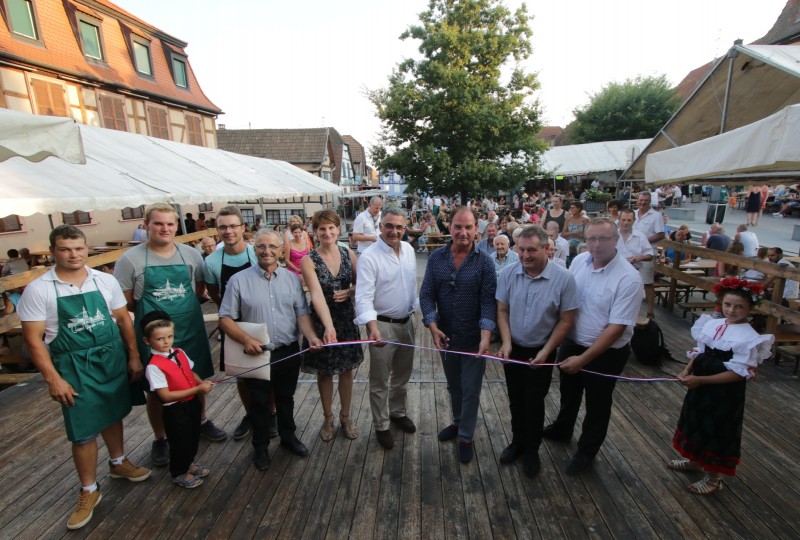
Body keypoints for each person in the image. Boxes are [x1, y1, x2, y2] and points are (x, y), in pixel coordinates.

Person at [18, 225, 150, 530]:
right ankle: (89, 489)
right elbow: (34, 341)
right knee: (83, 430)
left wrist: (132, 355)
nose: (73, 255)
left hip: (111, 357)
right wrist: (53, 379)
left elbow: (122, 319)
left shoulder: (104, 280)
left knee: (112, 413)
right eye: (65, 249)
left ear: (86, 248)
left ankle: (118, 463)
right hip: (74, 366)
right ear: (53, 251)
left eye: (78, 248)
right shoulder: (40, 289)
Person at [114, 203, 226, 468]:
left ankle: (200, 421)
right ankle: (161, 437)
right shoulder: (130, 259)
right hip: (153, 336)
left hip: (189, 328)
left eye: (170, 224)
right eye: (158, 223)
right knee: (155, 390)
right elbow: (127, 303)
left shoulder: (191, 254)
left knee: (195, 378)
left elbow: (198, 290)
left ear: (177, 226)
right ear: (146, 225)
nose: (165, 229)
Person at [543, 218, 643, 475]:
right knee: (569, 391)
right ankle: (563, 428)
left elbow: (616, 329)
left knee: (598, 403)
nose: (596, 245)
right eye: (591, 239)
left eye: (603, 239)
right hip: (572, 341)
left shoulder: (629, 279)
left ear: (616, 240)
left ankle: (587, 451)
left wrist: (583, 359)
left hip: (606, 353)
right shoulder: (579, 261)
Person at [219, 230, 323, 470]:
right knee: (259, 403)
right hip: (256, 353)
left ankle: (288, 437)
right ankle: (260, 447)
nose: (267, 251)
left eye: (272, 247)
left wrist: (311, 337)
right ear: (254, 249)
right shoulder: (238, 280)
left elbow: (301, 314)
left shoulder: (292, 279)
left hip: (288, 351)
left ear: (281, 251)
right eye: (261, 246)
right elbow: (225, 318)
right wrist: (245, 340)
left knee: (286, 398)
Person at [668, 278, 773, 495]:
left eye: (739, 306)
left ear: (750, 308)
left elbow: (738, 373)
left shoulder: (749, 338)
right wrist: (687, 371)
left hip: (723, 393)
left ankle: (714, 478)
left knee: (717, 430)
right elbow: (701, 352)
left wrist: (701, 380)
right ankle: (694, 461)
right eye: (727, 304)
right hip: (700, 385)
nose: (731, 310)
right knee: (695, 420)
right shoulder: (713, 324)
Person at [496, 226, 577, 478]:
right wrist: (506, 343)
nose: (525, 255)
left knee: (534, 400)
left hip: (542, 350)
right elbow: (502, 311)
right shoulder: (509, 273)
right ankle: (517, 442)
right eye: (521, 249)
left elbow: (566, 320)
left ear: (546, 249)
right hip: (514, 348)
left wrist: (547, 351)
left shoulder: (564, 279)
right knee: (515, 399)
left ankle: (531, 449)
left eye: (532, 250)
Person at [420, 207, 497, 464]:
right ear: (449, 227)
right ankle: (456, 422)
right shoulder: (436, 258)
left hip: (474, 339)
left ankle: (465, 436)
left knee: (471, 389)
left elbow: (488, 303)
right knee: (454, 385)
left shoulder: (485, 262)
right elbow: (427, 295)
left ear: (477, 229)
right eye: (457, 226)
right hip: (446, 336)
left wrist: (486, 335)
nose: (463, 232)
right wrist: (432, 325)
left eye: (468, 227)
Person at [354, 207, 418, 450]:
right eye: (389, 226)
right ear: (380, 226)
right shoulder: (369, 257)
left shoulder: (410, 250)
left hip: (406, 323)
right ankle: (381, 425)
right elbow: (362, 297)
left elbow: (411, 287)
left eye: (399, 227)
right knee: (380, 380)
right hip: (381, 325)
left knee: (402, 374)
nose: (394, 231)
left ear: (405, 228)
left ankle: (398, 412)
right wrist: (371, 327)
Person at [301, 210, 364, 442]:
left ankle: (346, 417)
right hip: (321, 319)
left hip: (346, 318)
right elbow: (316, 294)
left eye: (331, 228)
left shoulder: (349, 253)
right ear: (315, 232)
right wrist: (328, 327)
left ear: (338, 229)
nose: (327, 232)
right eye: (321, 229)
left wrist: (350, 290)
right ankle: (328, 417)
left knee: (347, 370)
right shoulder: (309, 259)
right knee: (325, 372)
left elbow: (360, 284)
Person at [203, 206, 260, 441]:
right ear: (218, 231)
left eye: (233, 226)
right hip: (233, 324)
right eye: (223, 227)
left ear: (242, 227)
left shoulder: (256, 253)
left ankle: (271, 414)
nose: (228, 231)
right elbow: (216, 295)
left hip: (261, 320)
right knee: (242, 376)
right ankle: (251, 415)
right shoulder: (212, 262)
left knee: (270, 373)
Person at [142, 312, 212, 489]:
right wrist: (197, 389)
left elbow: (190, 371)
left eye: (170, 336)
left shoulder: (179, 352)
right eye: (160, 339)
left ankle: (189, 463)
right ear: (147, 341)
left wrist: (200, 382)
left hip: (192, 403)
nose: (166, 342)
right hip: (175, 409)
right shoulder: (154, 366)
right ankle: (179, 472)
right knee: (180, 441)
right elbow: (165, 396)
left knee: (193, 436)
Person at [633, 192, 665, 319]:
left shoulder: (656, 216)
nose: (643, 202)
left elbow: (661, 234)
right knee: (632, 282)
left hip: (647, 253)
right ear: (637, 200)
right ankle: (634, 309)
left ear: (650, 201)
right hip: (631, 253)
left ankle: (650, 311)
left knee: (647, 283)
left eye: (646, 200)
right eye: (641, 200)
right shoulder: (633, 214)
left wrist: (643, 241)